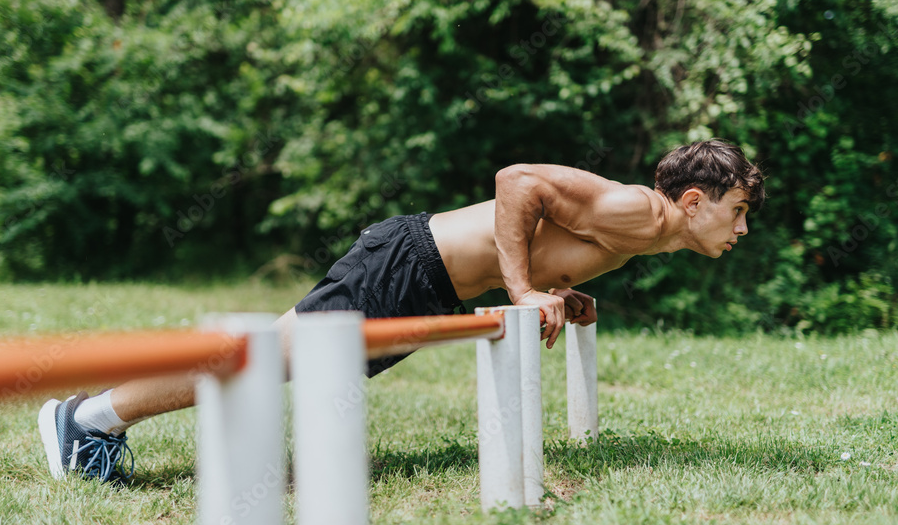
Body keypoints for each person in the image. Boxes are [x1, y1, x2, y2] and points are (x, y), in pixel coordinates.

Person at [39, 139, 764, 483]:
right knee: (257, 357)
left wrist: (554, 287)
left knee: (268, 362)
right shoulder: (637, 209)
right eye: (736, 212)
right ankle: (86, 420)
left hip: (426, 282)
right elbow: (516, 182)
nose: (740, 230)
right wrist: (520, 290)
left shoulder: (645, 232)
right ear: (694, 201)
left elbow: (543, 239)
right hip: (407, 263)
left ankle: (95, 419)